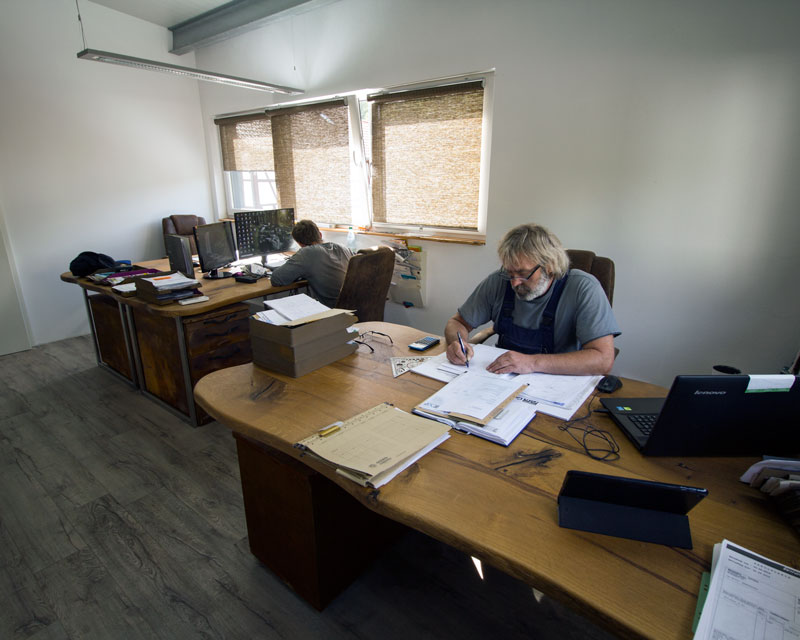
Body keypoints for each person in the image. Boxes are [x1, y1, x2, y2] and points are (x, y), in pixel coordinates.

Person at [445, 223, 620, 375]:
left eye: (523, 274)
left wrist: (531, 363)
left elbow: (603, 359)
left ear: (549, 265)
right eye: (509, 273)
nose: (514, 283)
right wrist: (456, 343)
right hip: (500, 378)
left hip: (557, 383)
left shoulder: (583, 288)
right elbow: (457, 322)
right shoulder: (499, 281)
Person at [269, 219, 354, 307]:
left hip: (336, 310)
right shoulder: (343, 247)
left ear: (299, 243)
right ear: (320, 235)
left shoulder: (306, 253)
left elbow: (276, 279)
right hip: (357, 306)